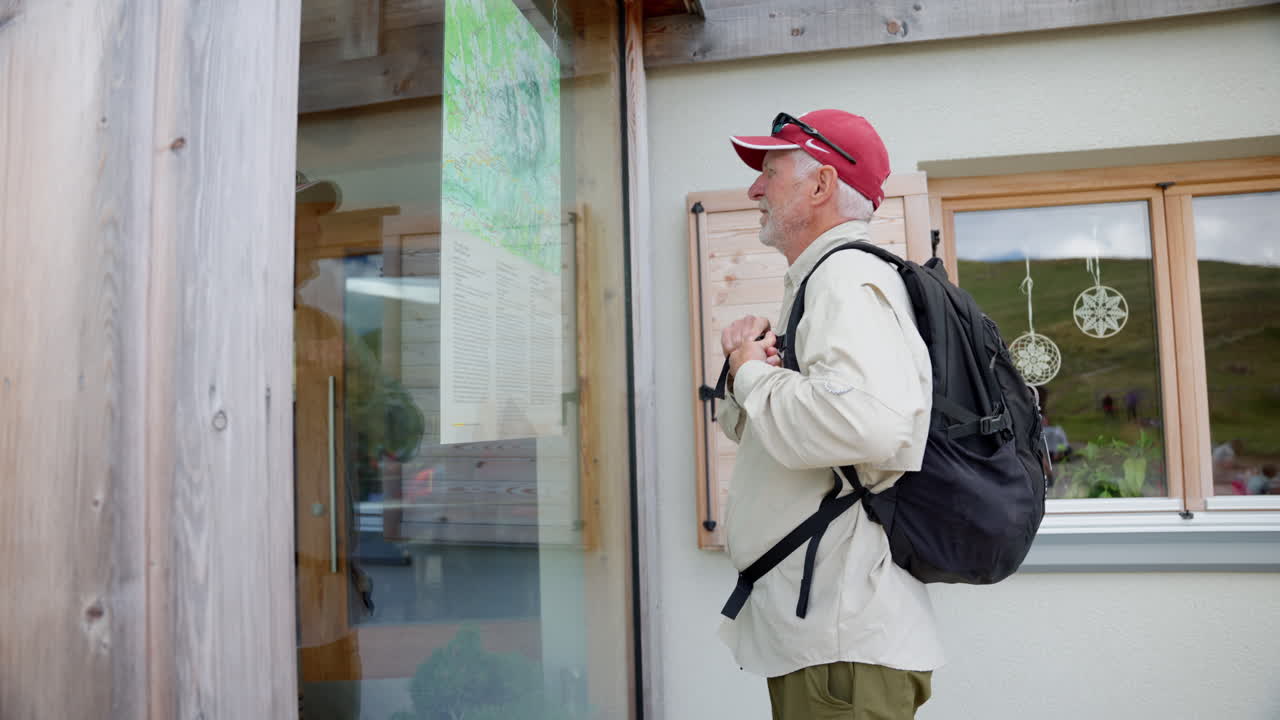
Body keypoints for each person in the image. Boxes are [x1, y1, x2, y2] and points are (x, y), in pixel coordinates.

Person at [714, 110, 941, 720]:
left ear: (818, 187)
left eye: (771, 172)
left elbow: (867, 423)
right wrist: (746, 372)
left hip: (841, 651)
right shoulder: (824, 281)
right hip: (830, 643)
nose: (754, 190)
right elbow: (797, 423)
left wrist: (751, 372)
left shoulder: (844, 278)